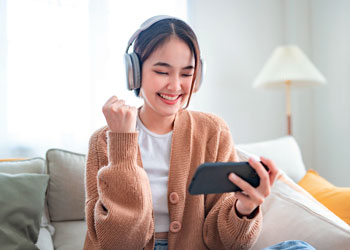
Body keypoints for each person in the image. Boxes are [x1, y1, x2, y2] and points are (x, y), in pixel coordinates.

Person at [83, 15, 315, 250]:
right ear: (133, 72)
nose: (175, 86)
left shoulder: (213, 131)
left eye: (186, 74)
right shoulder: (104, 140)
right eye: (162, 72)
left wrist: (244, 209)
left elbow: (227, 243)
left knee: (298, 248)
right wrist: (122, 144)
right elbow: (118, 243)